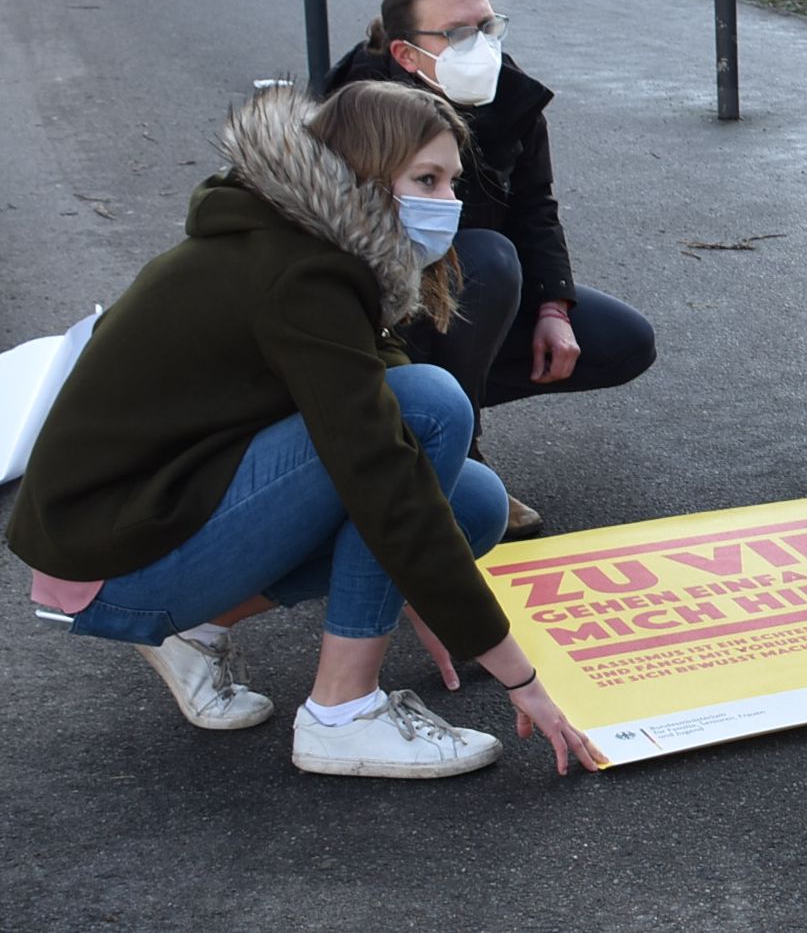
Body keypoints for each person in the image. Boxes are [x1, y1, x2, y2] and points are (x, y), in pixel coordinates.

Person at [7, 82, 603, 778]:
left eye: (451, 181)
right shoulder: (303, 273)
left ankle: (199, 629)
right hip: (109, 558)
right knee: (428, 405)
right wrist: (520, 675)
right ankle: (342, 714)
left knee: (472, 502)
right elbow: (382, 463)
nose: (448, 202)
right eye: (426, 180)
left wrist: (421, 584)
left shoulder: (305, 235)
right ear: (365, 175)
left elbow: (381, 444)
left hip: (152, 515)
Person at [319, 0, 657, 540]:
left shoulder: (510, 93)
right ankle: (452, 459)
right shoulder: (360, 114)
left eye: (487, 27)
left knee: (622, 343)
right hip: (377, 320)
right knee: (491, 260)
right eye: (456, 35)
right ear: (405, 55)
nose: (479, 46)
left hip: (470, 300)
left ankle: (421, 423)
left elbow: (535, 203)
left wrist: (555, 307)